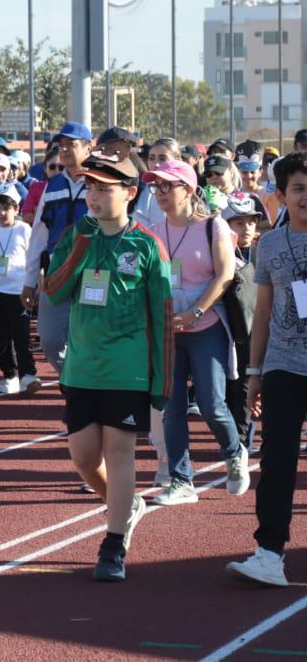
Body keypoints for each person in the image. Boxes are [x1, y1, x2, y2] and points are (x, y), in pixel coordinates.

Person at [44, 150, 171, 582]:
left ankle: (113, 544)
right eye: (90, 188)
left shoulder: (148, 245)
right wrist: (80, 245)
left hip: (128, 367)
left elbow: (162, 316)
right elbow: (55, 291)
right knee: (83, 458)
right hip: (82, 368)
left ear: (130, 193)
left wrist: (163, 380)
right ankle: (126, 503)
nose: (93, 197)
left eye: (104, 189)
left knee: (120, 452)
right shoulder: (77, 234)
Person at [142, 159, 248, 507]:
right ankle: (181, 480)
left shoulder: (213, 227)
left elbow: (225, 275)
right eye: (155, 186)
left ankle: (234, 451)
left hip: (206, 327)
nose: (159, 192)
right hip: (169, 330)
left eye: (166, 186)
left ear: (188, 189)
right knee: (171, 409)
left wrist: (195, 312)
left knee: (211, 404)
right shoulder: (155, 229)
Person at [227, 152, 307, 587]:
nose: (306, 196)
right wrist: (254, 372)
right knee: (277, 461)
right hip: (283, 365)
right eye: (297, 189)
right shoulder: (270, 245)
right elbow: (263, 311)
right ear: (281, 195)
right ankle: (269, 552)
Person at [23, 122, 92, 380]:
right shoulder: (51, 186)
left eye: (71, 145)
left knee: (90, 339)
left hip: (92, 272)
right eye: (60, 145)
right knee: (50, 339)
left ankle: (86, 392)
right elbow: (39, 234)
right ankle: (76, 382)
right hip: (56, 271)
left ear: (89, 147)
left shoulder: (101, 181)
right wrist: (29, 281)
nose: (63, 150)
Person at [0, 184, 38, 395]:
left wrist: (34, 286)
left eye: (6, 208)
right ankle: (9, 375)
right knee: (2, 337)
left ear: (16, 209)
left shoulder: (24, 230)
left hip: (18, 291)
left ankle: (28, 374)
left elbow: (33, 259)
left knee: (21, 335)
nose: (1, 213)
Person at [222, 192, 261, 452]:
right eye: (238, 222)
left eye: (250, 221)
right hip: (229, 333)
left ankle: (244, 442)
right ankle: (237, 442)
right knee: (231, 390)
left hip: (261, 333)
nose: (246, 227)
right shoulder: (220, 254)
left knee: (252, 386)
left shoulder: (264, 252)